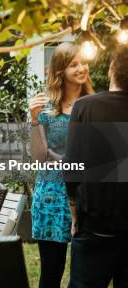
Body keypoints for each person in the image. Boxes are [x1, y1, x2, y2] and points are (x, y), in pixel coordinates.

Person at [28, 42, 94, 288]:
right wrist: (34, 120)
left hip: (85, 197)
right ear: (60, 71)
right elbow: (38, 156)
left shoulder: (94, 105)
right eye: (73, 64)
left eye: (83, 63)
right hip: (51, 198)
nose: (82, 68)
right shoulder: (45, 109)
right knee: (50, 275)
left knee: (83, 277)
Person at [64, 43, 128, 287]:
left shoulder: (85, 107)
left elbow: (72, 168)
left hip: (95, 227)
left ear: (112, 69)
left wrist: (73, 213)